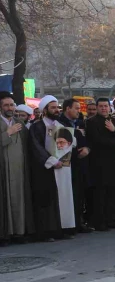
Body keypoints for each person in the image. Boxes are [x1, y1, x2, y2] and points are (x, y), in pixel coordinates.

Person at [85, 97, 115, 231]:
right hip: (99, 163)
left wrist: (114, 130)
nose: (104, 108)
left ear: (110, 108)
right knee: (100, 194)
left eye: (106, 106)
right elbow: (96, 140)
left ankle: (111, 219)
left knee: (113, 193)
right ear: (97, 108)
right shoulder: (91, 122)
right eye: (101, 106)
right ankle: (100, 221)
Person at [29, 96, 66, 241]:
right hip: (44, 169)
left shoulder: (60, 124)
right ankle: (44, 233)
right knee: (45, 201)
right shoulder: (36, 127)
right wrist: (51, 161)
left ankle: (59, 230)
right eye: (53, 107)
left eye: (57, 107)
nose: (56, 110)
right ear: (45, 110)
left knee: (58, 200)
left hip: (61, 168)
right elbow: (36, 147)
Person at [0, 91, 34, 243]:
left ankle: (19, 232)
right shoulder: (11, 126)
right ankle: (5, 234)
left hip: (19, 170)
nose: (9, 108)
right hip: (3, 170)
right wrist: (8, 133)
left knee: (19, 200)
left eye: (12, 105)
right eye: (6, 105)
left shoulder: (19, 123)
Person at [59, 98, 91, 233]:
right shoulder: (59, 124)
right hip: (64, 167)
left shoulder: (79, 124)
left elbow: (86, 143)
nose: (79, 111)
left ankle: (78, 223)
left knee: (78, 196)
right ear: (67, 109)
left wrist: (87, 149)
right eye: (76, 108)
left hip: (79, 166)